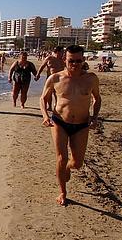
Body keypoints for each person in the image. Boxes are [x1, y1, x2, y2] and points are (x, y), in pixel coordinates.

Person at [40, 45, 101, 206]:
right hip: (59, 122)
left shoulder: (91, 79)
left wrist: (94, 117)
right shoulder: (56, 78)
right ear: (64, 60)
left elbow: (97, 99)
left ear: (83, 60)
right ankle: (62, 192)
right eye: (71, 61)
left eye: (78, 61)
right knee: (61, 157)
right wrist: (45, 116)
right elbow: (43, 99)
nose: (74, 64)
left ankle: (67, 167)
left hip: (81, 124)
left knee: (78, 163)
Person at [35, 46, 66, 110]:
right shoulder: (49, 58)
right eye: (62, 52)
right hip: (50, 79)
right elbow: (42, 66)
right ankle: (49, 106)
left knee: (58, 93)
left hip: (60, 79)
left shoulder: (63, 60)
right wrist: (38, 75)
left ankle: (57, 106)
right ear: (58, 52)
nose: (63, 53)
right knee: (49, 93)